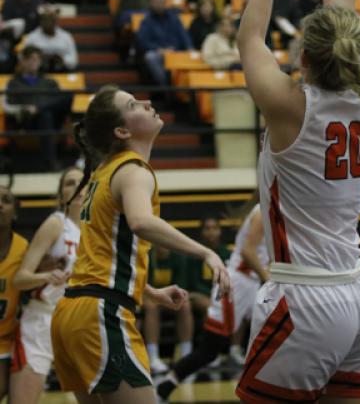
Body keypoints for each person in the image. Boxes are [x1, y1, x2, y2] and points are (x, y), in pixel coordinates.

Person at [234, 0, 360, 402]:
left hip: (308, 299)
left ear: (302, 57)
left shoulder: (288, 105)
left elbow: (249, 37)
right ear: (357, 52)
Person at [50, 85, 230, 404]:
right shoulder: (132, 170)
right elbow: (141, 222)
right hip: (99, 313)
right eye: (133, 104)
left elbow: (99, 253)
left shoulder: (102, 173)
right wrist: (206, 252)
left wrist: (148, 292)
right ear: (121, 130)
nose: (147, 103)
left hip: (72, 313)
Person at [158, 203, 269, 400]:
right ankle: (166, 384)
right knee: (209, 350)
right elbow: (247, 252)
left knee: (270, 338)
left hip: (251, 284)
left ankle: (265, 391)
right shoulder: (262, 210)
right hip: (237, 284)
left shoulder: (278, 210)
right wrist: (269, 280)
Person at [9, 167, 84, 404]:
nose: (78, 187)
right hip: (41, 322)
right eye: (70, 183)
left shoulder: (98, 230)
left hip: (78, 323)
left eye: (83, 182)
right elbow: (21, 278)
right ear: (61, 196)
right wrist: (46, 276)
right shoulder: (56, 223)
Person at [4, 46, 73, 171]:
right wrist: (25, 109)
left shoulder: (49, 82)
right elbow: (9, 106)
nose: (33, 62)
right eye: (29, 59)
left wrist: (38, 108)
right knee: (45, 115)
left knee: (68, 96)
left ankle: (40, 109)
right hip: (28, 121)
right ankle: (51, 163)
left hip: (53, 121)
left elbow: (61, 100)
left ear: (40, 62)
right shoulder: (14, 83)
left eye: (36, 59)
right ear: (23, 61)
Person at [143, 247, 192, 374]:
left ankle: (186, 355)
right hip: (151, 298)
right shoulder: (146, 257)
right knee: (151, 306)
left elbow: (181, 285)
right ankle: (153, 357)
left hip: (170, 298)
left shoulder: (178, 258)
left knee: (185, 305)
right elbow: (143, 286)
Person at [0, 186, 28, 401]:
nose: (0, 204)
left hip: (8, 341)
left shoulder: (25, 249)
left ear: (15, 212)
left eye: (6, 200)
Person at [136, 0, 193, 93]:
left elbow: (183, 35)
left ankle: (182, 90)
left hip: (176, 51)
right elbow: (142, 41)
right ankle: (167, 87)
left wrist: (189, 48)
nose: (159, 4)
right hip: (158, 52)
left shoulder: (174, 18)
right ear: (151, 3)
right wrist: (158, 49)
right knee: (150, 57)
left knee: (191, 55)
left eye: (161, 1)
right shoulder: (146, 21)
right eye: (156, 1)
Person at [24, 5, 78, 72]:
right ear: (41, 21)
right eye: (46, 19)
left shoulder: (66, 37)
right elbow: (24, 58)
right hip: (38, 73)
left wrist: (62, 60)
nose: (49, 22)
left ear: (56, 21)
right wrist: (39, 59)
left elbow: (74, 61)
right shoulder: (32, 37)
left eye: (52, 19)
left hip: (62, 72)